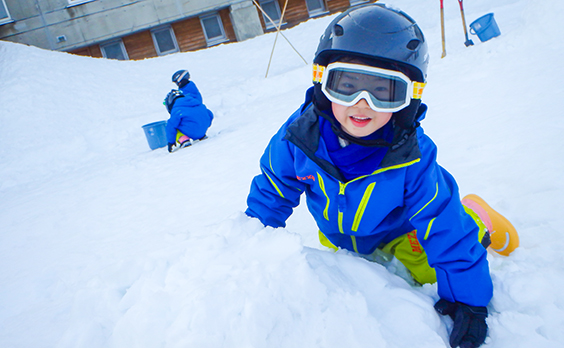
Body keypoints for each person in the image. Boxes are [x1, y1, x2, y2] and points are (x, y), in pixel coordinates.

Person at [244, 4, 519, 348]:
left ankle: (478, 218)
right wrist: (249, 251)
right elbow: (272, 192)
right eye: (347, 85)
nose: (362, 103)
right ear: (323, 83)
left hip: (400, 231)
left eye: (383, 91)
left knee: (426, 274)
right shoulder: (299, 139)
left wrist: (470, 302)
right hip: (338, 237)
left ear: (406, 100)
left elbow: (443, 225)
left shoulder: (411, 158)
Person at [163, 70, 214, 152]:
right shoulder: (192, 98)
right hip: (202, 129)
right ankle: (201, 135)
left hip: (192, 129)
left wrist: (170, 142)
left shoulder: (178, 107)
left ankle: (183, 140)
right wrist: (205, 125)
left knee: (175, 124)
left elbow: (170, 126)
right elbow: (209, 114)